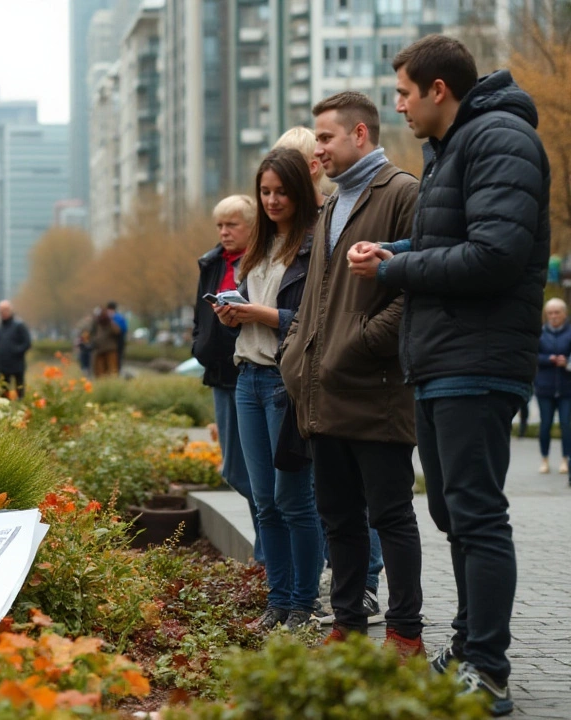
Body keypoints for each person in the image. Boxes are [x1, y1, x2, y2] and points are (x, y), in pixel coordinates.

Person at [349, 35, 549, 716]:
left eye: (404, 92)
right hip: (442, 360)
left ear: (439, 89)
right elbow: (452, 241)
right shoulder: (454, 148)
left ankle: (487, 669)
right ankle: (468, 648)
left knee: (477, 515)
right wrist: (398, 249)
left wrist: (395, 268)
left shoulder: (498, 139)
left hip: (478, 358)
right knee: (451, 512)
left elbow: (494, 255)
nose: (397, 105)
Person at [278, 91, 424, 656]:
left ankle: (404, 631)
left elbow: (414, 290)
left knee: (389, 515)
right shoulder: (332, 205)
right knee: (337, 516)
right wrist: (298, 352)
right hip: (321, 394)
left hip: (376, 393)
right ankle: (346, 624)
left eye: (325, 138)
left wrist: (356, 345)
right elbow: (316, 299)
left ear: (359, 134)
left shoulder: (404, 193)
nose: (317, 150)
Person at [273, 123, 388, 621]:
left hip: (343, 372)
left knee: (360, 496)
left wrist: (343, 347)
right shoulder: (297, 228)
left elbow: (357, 295)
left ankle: (363, 583)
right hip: (304, 372)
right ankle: (343, 580)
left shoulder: (342, 213)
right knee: (323, 495)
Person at [214, 147, 321, 632]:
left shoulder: (314, 244)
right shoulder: (256, 245)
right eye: (265, 191)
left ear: (298, 191)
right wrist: (231, 312)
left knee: (295, 500)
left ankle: (303, 603)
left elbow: (317, 321)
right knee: (263, 501)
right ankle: (277, 601)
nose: (273, 200)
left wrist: (260, 314)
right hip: (247, 378)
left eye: (281, 191)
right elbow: (250, 308)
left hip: (285, 381)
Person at [192, 194, 261, 566]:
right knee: (234, 469)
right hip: (221, 373)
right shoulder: (213, 261)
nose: (224, 232)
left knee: (261, 472)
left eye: (232, 225)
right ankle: (269, 550)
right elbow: (199, 312)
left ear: (252, 226)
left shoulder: (261, 259)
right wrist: (198, 342)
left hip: (253, 370)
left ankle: (269, 554)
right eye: (220, 225)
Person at [535, 298, 571, 475]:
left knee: (566, 424)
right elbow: (532, 356)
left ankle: (566, 459)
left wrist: (567, 363)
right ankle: (544, 459)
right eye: (550, 312)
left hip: (567, 388)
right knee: (545, 425)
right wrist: (547, 359)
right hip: (545, 387)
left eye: (557, 312)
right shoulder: (539, 333)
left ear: (564, 314)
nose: (554, 316)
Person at [0, 300, 31, 399]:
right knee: (3, 392)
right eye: (1, 311)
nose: (3, 313)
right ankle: (5, 410)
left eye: (5, 310)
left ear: (10, 310)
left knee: (19, 389)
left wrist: (16, 351)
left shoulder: (19, 325)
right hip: (3, 366)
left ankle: (20, 409)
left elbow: (27, 343)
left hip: (17, 364)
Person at [90, 306, 121, 378]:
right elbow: (92, 334)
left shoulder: (110, 323)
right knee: (100, 373)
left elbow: (117, 331)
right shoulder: (96, 323)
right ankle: (103, 385)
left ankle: (111, 384)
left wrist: (110, 322)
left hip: (110, 350)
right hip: (99, 350)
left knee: (112, 371)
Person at [107, 301, 127, 374]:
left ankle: (113, 372)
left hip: (112, 341)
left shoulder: (109, 317)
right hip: (119, 341)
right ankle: (117, 372)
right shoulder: (120, 317)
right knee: (118, 358)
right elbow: (124, 329)